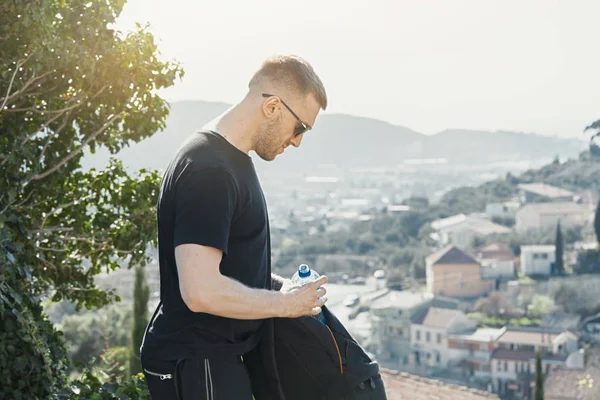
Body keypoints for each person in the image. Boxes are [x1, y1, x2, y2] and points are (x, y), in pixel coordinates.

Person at [140, 54, 329, 400]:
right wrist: (286, 305)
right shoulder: (211, 171)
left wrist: (281, 290)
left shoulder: (228, 157)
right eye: (300, 127)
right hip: (200, 361)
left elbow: (231, 265)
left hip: (210, 359)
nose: (298, 141)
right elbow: (201, 291)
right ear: (272, 107)